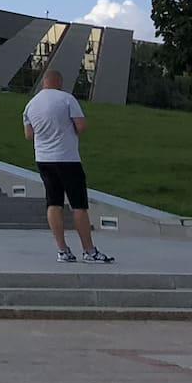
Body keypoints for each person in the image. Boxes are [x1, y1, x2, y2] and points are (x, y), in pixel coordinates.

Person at [22, 69, 113, 264]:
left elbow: (29, 135)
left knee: (53, 203)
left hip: (43, 159)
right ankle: (89, 251)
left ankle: (62, 250)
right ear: (59, 82)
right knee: (78, 204)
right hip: (67, 158)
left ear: (44, 82)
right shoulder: (66, 99)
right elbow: (81, 126)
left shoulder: (30, 105)